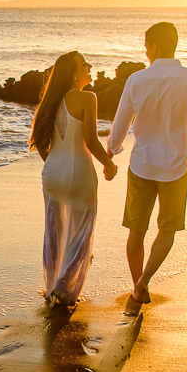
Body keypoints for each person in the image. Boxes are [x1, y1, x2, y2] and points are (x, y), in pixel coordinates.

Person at [107, 22, 187, 316]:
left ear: (154, 46)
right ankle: (144, 281)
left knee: (136, 231)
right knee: (167, 230)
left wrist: (111, 152)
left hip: (142, 165)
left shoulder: (137, 80)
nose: (145, 51)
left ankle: (136, 286)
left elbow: (121, 122)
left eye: (146, 46)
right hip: (176, 168)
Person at [30, 51, 118, 309]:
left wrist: (56, 166)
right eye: (84, 64)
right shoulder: (87, 97)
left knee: (55, 231)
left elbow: (40, 143)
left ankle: (51, 287)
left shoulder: (51, 101)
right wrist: (110, 164)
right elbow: (91, 140)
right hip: (80, 171)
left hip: (53, 173)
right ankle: (65, 286)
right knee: (81, 231)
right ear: (73, 73)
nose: (90, 67)